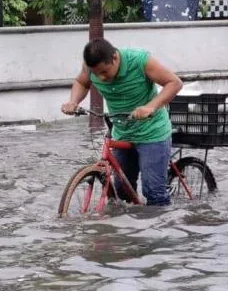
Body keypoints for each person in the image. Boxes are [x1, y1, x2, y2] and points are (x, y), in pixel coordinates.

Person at [61, 38, 183, 206]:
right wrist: (73, 102)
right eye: (96, 74)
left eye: (104, 72)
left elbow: (174, 83)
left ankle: (160, 230)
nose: (101, 78)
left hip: (152, 131)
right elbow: (81, 82)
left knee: (154, 192)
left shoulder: (140, 60)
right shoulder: (90, 68)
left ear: (115, 58)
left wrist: (150, 107)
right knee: (122, 193)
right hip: (122, 132)